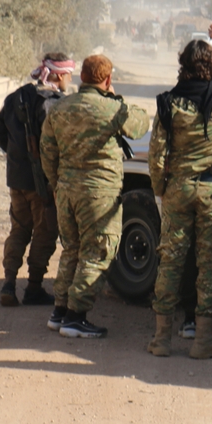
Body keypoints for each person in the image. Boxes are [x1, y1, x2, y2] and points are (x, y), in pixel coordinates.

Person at [40, 54, 149, 338]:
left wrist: (56, 185)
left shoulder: (60, 108)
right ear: (108, 80)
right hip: (98, 194)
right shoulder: (111, 108)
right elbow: (140, 125)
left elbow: (47, 152)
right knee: (99, 251)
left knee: (72, 250)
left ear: (82, 77)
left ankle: (60, 312)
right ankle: (76, 316)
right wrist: (117, 98)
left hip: (66, 191)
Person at [148, 23, 212, 359]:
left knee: (170, 262)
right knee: (209, 264)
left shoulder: (168, 104)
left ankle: (161, 340)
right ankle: (204, 341)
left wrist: (161, 190)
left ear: (182, 64)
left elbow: (157, 154)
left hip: (178, 190)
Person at [0, 54, 74, 307]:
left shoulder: (16, 96)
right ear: (59, 75)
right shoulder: (54, 103)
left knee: (19, 229)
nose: (70, 79)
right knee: (45, 233)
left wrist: (18, 159)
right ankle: (34, 287)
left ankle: (8, 283)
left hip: (17, 180)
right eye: (69, 74)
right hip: (43, 183)